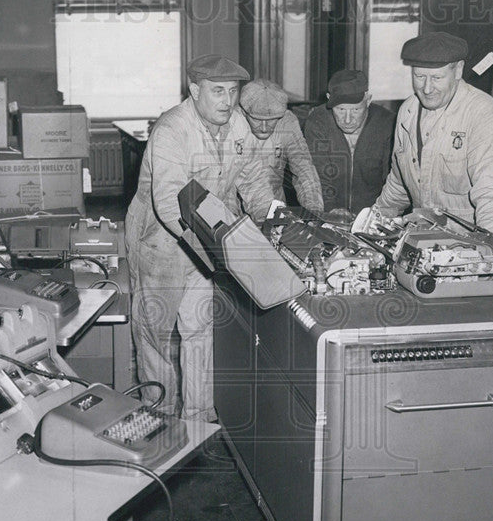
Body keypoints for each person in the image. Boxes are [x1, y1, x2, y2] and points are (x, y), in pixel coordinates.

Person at [125, 55, 275, 422]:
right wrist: (217, 249)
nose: (227, 100)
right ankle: (158, 417)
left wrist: (273, 221)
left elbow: (253, 180)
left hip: (209, 237)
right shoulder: (172, 130)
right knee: (155, 334)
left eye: (233, 91)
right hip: (160, 240)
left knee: (200, 327)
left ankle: (198, 418)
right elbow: (170, 203)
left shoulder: (238, 124)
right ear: (195, 90)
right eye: (217, 91)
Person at [374, 32, 493, 233]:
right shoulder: (408, 111)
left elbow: (490, 193)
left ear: (458, 71)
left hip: (465, 245)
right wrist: (372, 223)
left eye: (437, 78)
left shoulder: (482, 114)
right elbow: (398, 183)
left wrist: (490, 251)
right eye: (419, 77)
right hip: (421, 238)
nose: (427, 89)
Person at [302, 69, 395, 215]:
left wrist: (378, 212)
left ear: (368, 100)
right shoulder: (318, 121)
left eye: (356, 110)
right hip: (330, 212)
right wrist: (331, 208)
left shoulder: (387, 123)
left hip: (375, 213)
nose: (347, 119)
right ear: (328, 98)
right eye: (340, 109)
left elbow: (392, 178)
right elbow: (317, 173)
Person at [239, 79, 323, 212]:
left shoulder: (287, 122)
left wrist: (313, 209)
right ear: (243, 112)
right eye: (257, 120)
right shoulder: (232, 121)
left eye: (272, 120)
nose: (265, 128)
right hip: (236, 213)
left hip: (274, 209)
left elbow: (304, 167)